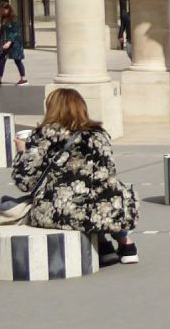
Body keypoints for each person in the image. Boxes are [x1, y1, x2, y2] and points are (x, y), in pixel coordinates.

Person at [10, 87, 140, 263]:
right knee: (101, 195)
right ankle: (125, 243)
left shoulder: (45, 134)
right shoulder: (99, 134)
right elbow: (109, 171)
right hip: (109, 208)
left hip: (63, 210)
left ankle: (103, 246)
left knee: (72, 201)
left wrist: (21, 152)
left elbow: (26, 182)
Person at [0, 3, 27, 85]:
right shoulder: (3, 19)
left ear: (8, 9)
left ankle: (23, 78)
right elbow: (2, 32)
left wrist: (9, 41)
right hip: (4, 43)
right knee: (1, 60)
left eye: (3, 10)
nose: (2, 12)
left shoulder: (15, 19)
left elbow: (16, 32)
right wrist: (0, 43)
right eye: (1, 10)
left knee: (17, 60)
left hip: (14, 43)